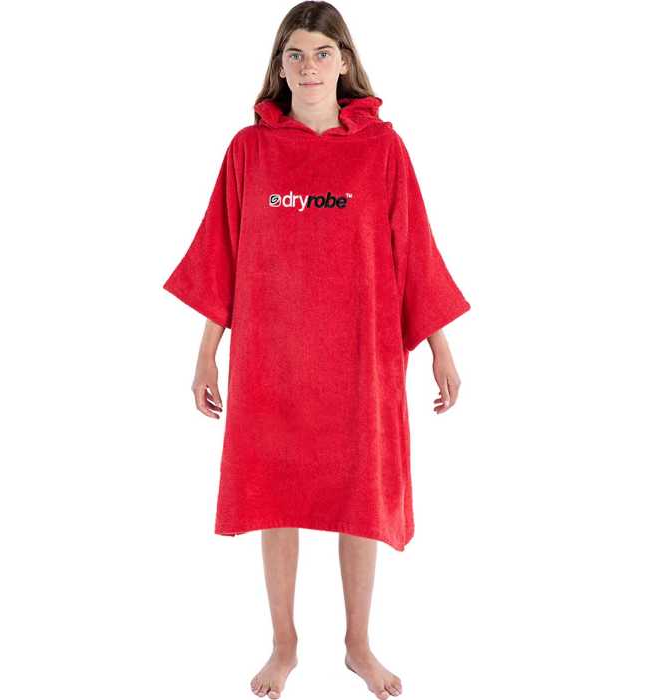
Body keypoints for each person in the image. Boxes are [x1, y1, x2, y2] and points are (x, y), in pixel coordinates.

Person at [162, 2, 471, 698]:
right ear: (280, 67)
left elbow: (414, 249)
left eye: (321, 53)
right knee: (274, 497)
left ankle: (358, 645)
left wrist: (440, 348)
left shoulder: (383, 149)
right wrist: (206, 353)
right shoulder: (250, 150)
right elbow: (223, 253)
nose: (308, 67)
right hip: (271, 358)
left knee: (359, 497)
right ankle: (284, 644)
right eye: (295, 54)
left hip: (360, 357)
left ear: (344, 63)